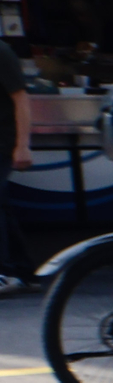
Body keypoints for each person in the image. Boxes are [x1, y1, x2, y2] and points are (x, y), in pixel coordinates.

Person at [0, 35, 30, 295]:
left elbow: (20, 99)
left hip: (3, 141)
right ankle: (22, 271)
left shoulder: (1, 52)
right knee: (3, 207)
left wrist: (22, 145)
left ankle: (4, 271)